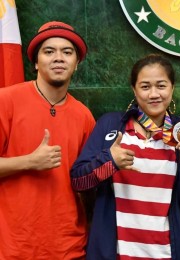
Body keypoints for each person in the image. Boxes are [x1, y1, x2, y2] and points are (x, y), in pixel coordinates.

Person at [70, 54, 180, 260]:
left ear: (172, 87)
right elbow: (78, 180)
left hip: (167, 252)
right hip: (117, 253)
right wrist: (109, 161)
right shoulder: (111, 126)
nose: (154, 94)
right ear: (134, 89)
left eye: (161, 85)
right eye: (145, 86)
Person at [0, 21, 95, 259]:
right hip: (14, 247)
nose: (59, 58)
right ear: (35, 62)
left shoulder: (84, 115)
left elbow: (88, 183)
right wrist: (30, 161)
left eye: (67, 52)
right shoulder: (6, 101)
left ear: (76, 64)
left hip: (69, 247)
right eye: (49, 51)